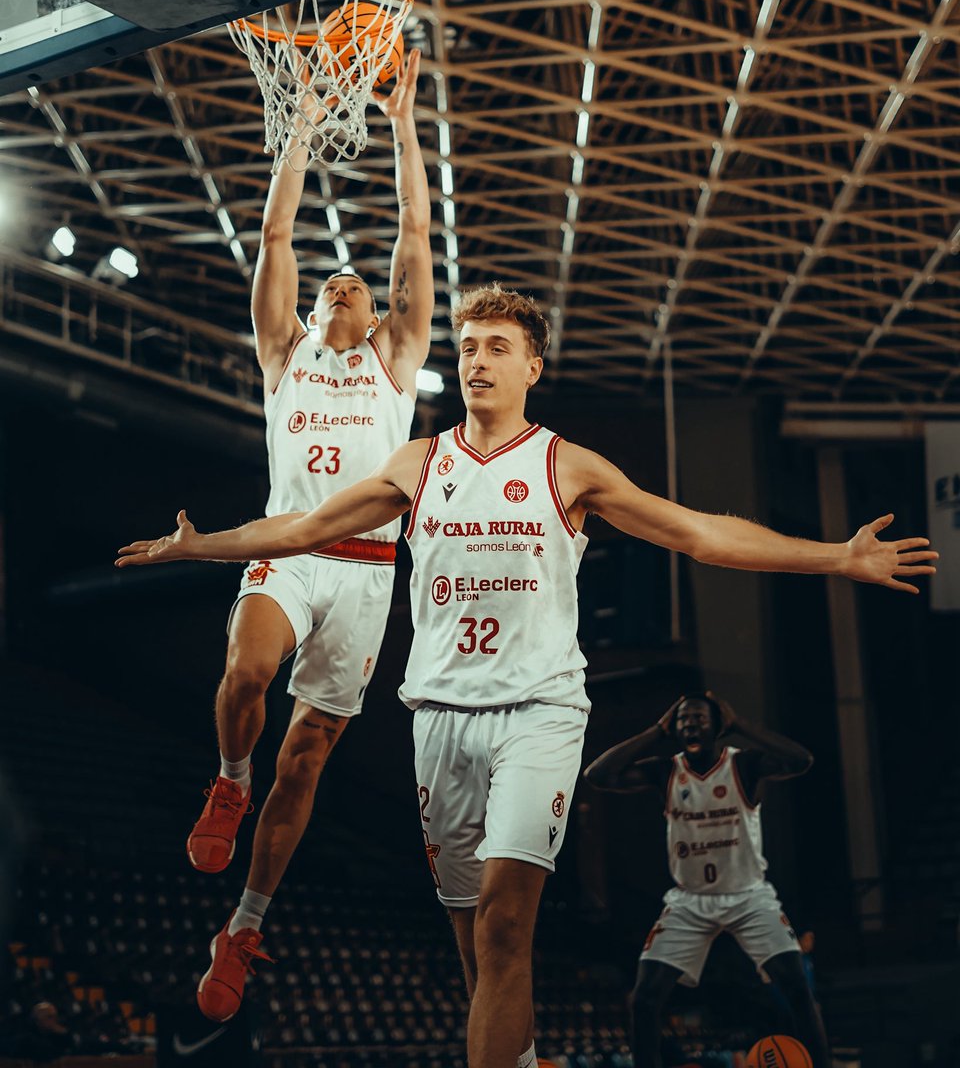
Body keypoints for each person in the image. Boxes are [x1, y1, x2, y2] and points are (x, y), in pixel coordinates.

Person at [116, 284, 936, 1067]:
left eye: (497, 348)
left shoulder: (567, 467)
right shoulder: (417, 465)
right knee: (474, 941)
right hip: (438, 719)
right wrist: (200, 545)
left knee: (508, 927)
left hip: (538, 715)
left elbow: (697, 534)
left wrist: (837, 556)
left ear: (531, 368)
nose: (477, 360)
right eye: (468, 346)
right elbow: (304, 527)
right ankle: (525, 1055)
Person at [180, 50, 432, 1022]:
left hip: (367, 575)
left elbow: (415, 227)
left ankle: (243, 925)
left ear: (375, 317)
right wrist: (303, 119)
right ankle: (227, 781)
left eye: (356, 287)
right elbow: (279, 228)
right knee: (245, 681)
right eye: (329, 283)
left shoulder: (396, 366)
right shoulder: (282, 354)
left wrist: (405, 122)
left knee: (311, 758)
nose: (341, 285)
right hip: (288, 550)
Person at [583, 693, 830, 1068]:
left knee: (797, 986)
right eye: (682, 720)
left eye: (698, 718)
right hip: (690, 901)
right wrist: (655, 731)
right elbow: (598, 775)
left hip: (749, 896)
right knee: (645, 998)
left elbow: (802, 760)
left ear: (718, 725)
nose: (689, 725)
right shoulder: (667, 770)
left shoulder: (743, 765)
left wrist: (742, 725)